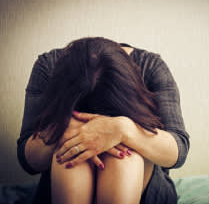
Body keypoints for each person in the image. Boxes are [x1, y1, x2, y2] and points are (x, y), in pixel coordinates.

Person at [17, 37, 189, 204]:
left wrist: (124, 130)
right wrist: (60, 130)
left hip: (140, 185)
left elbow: (178, 150)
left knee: (124, 159)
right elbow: (28, 161)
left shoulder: (150, 67)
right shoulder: (48, 66)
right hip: (64, 183)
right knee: (71, 157)